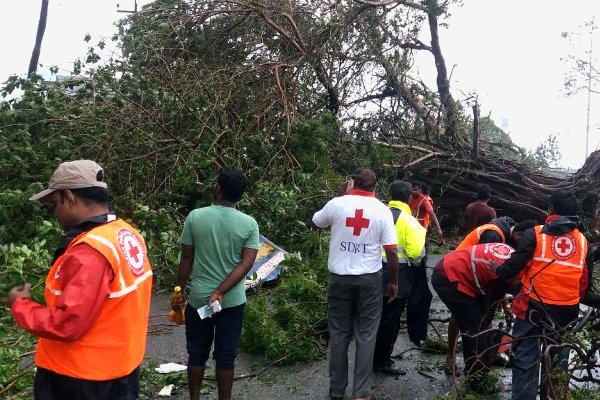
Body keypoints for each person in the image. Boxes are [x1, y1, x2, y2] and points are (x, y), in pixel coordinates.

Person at [8, 160, 153, 400]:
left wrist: (20, 305)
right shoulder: (125, 233)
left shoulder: (90, 252)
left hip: (81, 379)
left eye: (55, 204)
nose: (55, 213)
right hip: (121, 371)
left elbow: (68, 322)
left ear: (69, 197)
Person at [495, 191, 594, 400]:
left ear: (550, 209)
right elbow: (583, 286)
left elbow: (513, 268)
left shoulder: (535, 234)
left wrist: (499, 272)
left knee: (525, 359)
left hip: (532, 309)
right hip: (566, 314)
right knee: (558, 362)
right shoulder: (584, 243)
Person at [313, 168, 399, 400]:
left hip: (339, 280)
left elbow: (317, 221)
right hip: (370, 281)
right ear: (374, 186)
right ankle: (361, 393)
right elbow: (391, 251)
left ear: (352, 182)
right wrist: (393, 281)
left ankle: (337, 389)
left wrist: (340, 194)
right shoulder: (383, 211)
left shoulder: (337, 204)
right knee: (367, 335)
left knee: (339, 333)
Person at [174, 167, 259, 400]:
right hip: (231, 302)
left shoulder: (195, 216)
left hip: (199, 300)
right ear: (240, 196)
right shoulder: (249, 224)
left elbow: (187, 259)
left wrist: (178, 291)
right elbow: (246, 263)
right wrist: (221, 291)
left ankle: (194, 398)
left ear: (218, 189)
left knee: (196, 353)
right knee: (226, 355)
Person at [445, 217, 536, 375]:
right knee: (468, 318)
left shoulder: (507, 235)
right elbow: (486, 272)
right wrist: (502, 301)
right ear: (519, 235)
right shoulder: (494, 236)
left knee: (480, 317)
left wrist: (503, 302)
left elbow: (496, 280)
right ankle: (458, 360)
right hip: (460, 274)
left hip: (470, 273)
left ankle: (484, 356)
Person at [432, 242, 516, 394]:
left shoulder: (514, 259)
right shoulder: (507, 274)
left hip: (452, 267)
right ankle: (477, 382)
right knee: (476, 329)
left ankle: (481, 362)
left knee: (478, 325)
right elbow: (488, 308)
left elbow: (497, 290)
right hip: (449, 277)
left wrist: (505, 304)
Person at [373, 180, 426, 375]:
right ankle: (381, 360)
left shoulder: (377, 214)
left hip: (370, 273)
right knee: (390, 320)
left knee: (373, 318)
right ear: (409, 197)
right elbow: (416, 255)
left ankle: (370, 356)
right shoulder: (411, 221)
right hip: (398, 277)